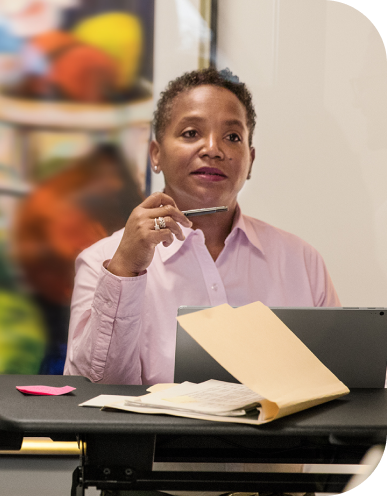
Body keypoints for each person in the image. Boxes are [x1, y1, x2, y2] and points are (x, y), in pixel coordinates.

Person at [64, 67, 340, 386]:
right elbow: (90, 393)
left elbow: (338, 387)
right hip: (157, 437)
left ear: (250, 160)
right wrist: (126, 269)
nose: (213, 149)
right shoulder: (105, 260)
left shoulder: (302, 261)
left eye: (232, 137)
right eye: (191, 133)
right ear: (156, 154)